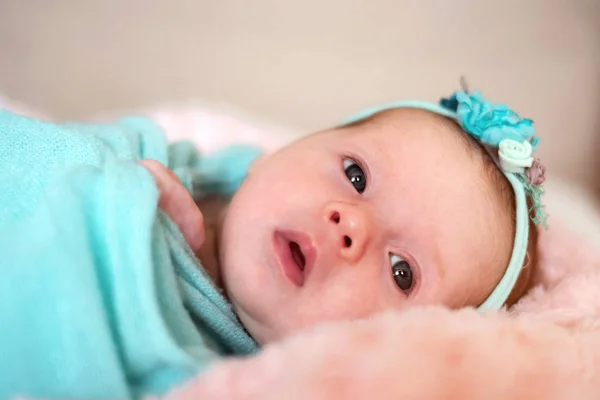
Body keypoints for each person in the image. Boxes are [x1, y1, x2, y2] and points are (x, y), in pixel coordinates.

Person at [0, 88, 546, 399]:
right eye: (355, 175)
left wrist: (144, 244)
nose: (350, 224)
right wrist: (135, 201)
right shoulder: (155, 155)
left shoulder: (224, 381)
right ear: (279, 154)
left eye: (402, 271)